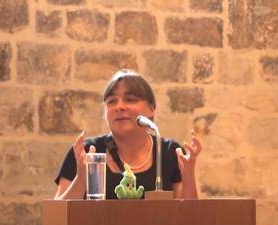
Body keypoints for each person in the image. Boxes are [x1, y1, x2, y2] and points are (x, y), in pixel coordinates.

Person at [54, 70, 202, 200]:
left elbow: (188, 218)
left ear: (152, 109)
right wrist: (82, 177)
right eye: (112, 101)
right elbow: (57, 218)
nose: (119, 107)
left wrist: (188, 174)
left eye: (130, 100)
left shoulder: (169, 152)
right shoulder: (86, 152)